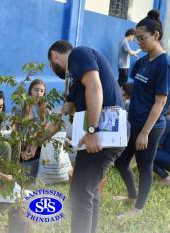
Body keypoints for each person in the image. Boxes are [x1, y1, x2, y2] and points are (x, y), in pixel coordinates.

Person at [48, 40, 124, 233]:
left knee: (80, 194)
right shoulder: (72, 79)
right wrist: (36, 142)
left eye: (51, 64)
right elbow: (65, 114)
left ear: (54, 56)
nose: (52, 68)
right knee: (89, 192)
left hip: (100, 135)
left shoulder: (78, 55)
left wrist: (92, 130)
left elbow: (95, 87)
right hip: (97, 137)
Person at [114, 10, 170, 219]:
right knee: (121, 162)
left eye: (142, 38)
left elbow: (160, 102)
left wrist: (144, 132)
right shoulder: (142, 61)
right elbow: (134, 90)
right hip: (135, 121)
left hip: (151, 126)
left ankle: (138, 209)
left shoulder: (165, 64)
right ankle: (132, 196)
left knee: (144, 166)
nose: (138, 42)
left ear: (156, 35)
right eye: (137, 38)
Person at [17, 79, 47, 177]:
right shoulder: (23, 104)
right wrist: (20, 146)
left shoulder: (44, 107)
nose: (39, 93)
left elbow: (46, 129)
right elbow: (16, 126)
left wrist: (35, 144)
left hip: (37, 141)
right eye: (36, 90)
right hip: (24, 139)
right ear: (30, 91)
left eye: (42, 91)